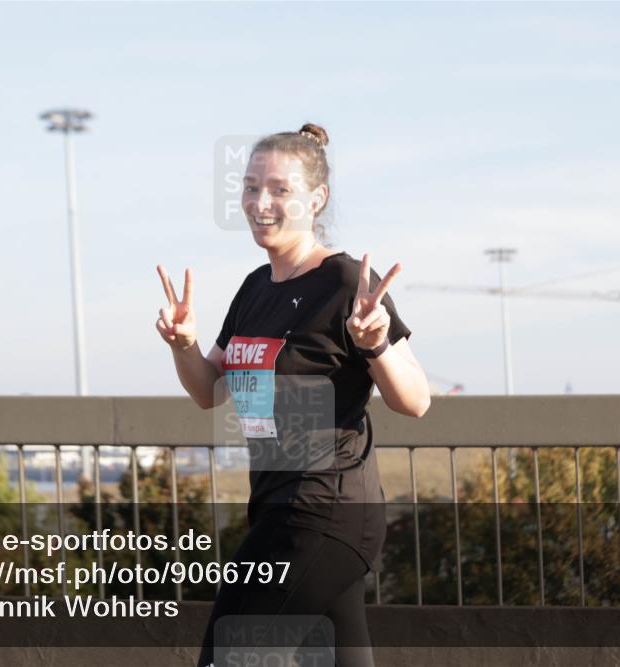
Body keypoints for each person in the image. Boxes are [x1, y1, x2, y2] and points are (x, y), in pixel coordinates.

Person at [155, 123, 431, 667]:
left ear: (315, 198)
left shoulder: (347, 283)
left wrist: (375, 345)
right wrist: (183, 345)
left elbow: (416, 400)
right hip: (277, 507)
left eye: (279, 189)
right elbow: (209, 391)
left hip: (324, 511)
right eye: (251, 187)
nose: (261, 202)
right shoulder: (256, 288)